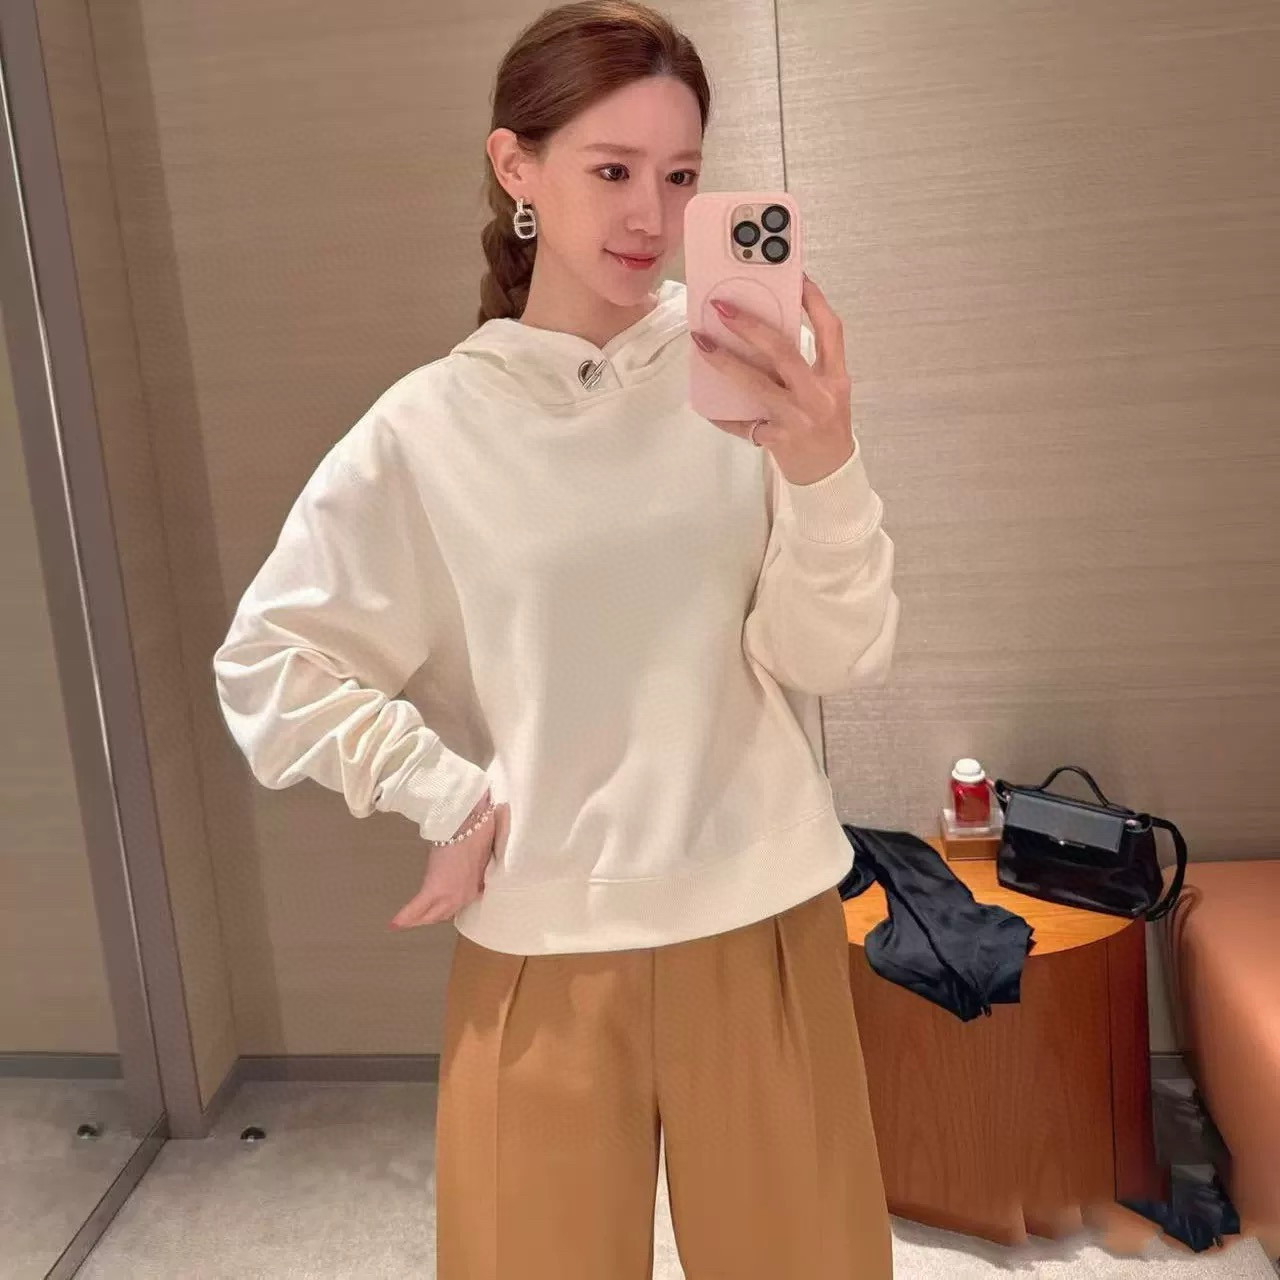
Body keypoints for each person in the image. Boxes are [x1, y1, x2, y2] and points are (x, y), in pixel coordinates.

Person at [212, 1, 901, 1275]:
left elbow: (830, 656)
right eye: (611, 170)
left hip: (758, 919)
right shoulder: (429, 427)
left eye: (679, 176)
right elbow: (267, 660)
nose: (650, 215)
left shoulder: (744, 373)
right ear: (515, 167)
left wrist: (823, 471)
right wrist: (443, 793)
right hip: (539, 943)